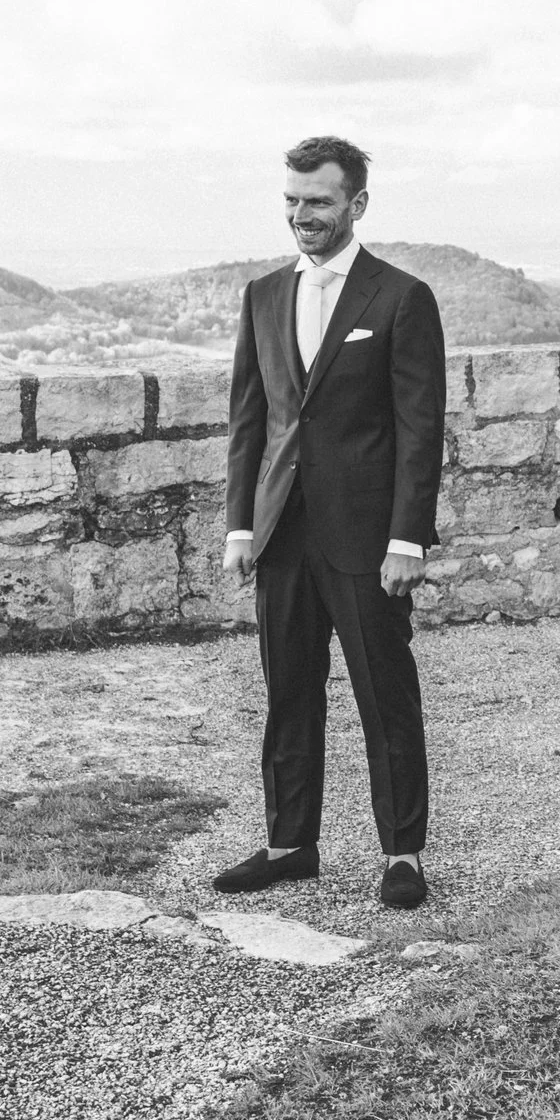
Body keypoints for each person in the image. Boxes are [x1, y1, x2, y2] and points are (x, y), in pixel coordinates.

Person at [217, 136, 447, 908]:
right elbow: (250, 421)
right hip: (282, 531)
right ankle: (289, 843)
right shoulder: (262, 295)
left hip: (367, 537)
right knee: (288, 688)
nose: (299, 215)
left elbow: (420, 429)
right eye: (290, 200)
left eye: (316, 201)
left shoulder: (400, 297)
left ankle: (403, 852)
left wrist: (407, 537)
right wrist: (240, 528)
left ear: (356, 204)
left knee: (385, 693)